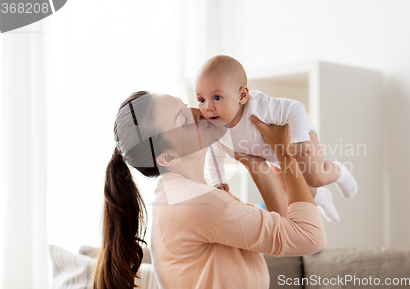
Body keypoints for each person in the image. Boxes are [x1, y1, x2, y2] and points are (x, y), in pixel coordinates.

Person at [93, 91, 326, 289]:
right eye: (183, 120)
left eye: (186, 105)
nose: (199, 111)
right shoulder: (194, 203)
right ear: (168, 156)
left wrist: (253, 161)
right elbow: (309, 237)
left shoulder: (189, 195)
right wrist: (284, 153)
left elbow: (285, 226)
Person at [195, 55, 358, 223]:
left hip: (299, 138)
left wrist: (299, 138)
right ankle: (323, 198)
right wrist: (217, 181)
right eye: (201, 99)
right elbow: (214, 153)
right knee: (296, 192)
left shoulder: (258, 106)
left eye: (216, 97)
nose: (207, 107)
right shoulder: (214, 128)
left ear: (242, 95)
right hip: (274, 156)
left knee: (315, 178)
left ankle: (340, 172)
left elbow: (295, 108)